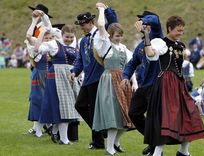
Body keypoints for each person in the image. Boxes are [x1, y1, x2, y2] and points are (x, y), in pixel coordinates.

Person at [138, 15, 204, 156]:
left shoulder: (181, 45)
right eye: (178, 30)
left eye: (182, 31)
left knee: (190, 114)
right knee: (165, 118)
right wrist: (146, 35)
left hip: (179, 84)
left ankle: (183, 151)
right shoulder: (160, 43)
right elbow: (150, 53)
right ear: (169, 28)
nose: (180, 33)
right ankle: (157, 152)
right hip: (166, 84)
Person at [92, 3, 137, 155]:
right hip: (109, 81)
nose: (119, 38)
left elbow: (132, 64)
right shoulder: (106, 45)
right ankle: (109, 148)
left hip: (123, 81)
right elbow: (100, 25)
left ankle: (116, 143)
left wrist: (134, 82)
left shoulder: (123, 48)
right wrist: (101, 10)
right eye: (117, 35)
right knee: (113, 116)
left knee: (126, 115)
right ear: (110, 35)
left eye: (121, 35)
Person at [121, 11, 163, 156]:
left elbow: (156, 21)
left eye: (144, 23)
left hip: (156, 85)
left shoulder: (158, 38)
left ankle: (157, 150)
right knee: (133, 113)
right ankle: (153, 142)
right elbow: (132, 63)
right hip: (143, 86)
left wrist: (145, 21)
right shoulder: (140, 46)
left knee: (153, 118)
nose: (142, 24)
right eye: (141, 22)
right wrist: (125, 76)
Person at [39, 25, 81, 145]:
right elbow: (39, 48)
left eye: (71, 37)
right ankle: (63, 138)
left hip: (71, 76)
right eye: (67, 37)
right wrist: (42, 33)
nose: (69, 39)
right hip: (57, 76)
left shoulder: (75, 44)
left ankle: (55, 130)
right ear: (62, 35)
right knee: (65, 105)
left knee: (67, 105)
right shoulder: (54, 44)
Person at [70, 11, 106, 149]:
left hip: (99, 78)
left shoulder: (100, 35)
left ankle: (98, 142)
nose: (81, 27)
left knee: (94, 111)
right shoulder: (83, 40)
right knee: (80, 106)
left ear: (91, 22)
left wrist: (103, 10)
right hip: (87, 80)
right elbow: (80, 60)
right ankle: (101, 131)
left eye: (83, 24)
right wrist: (74, 71)